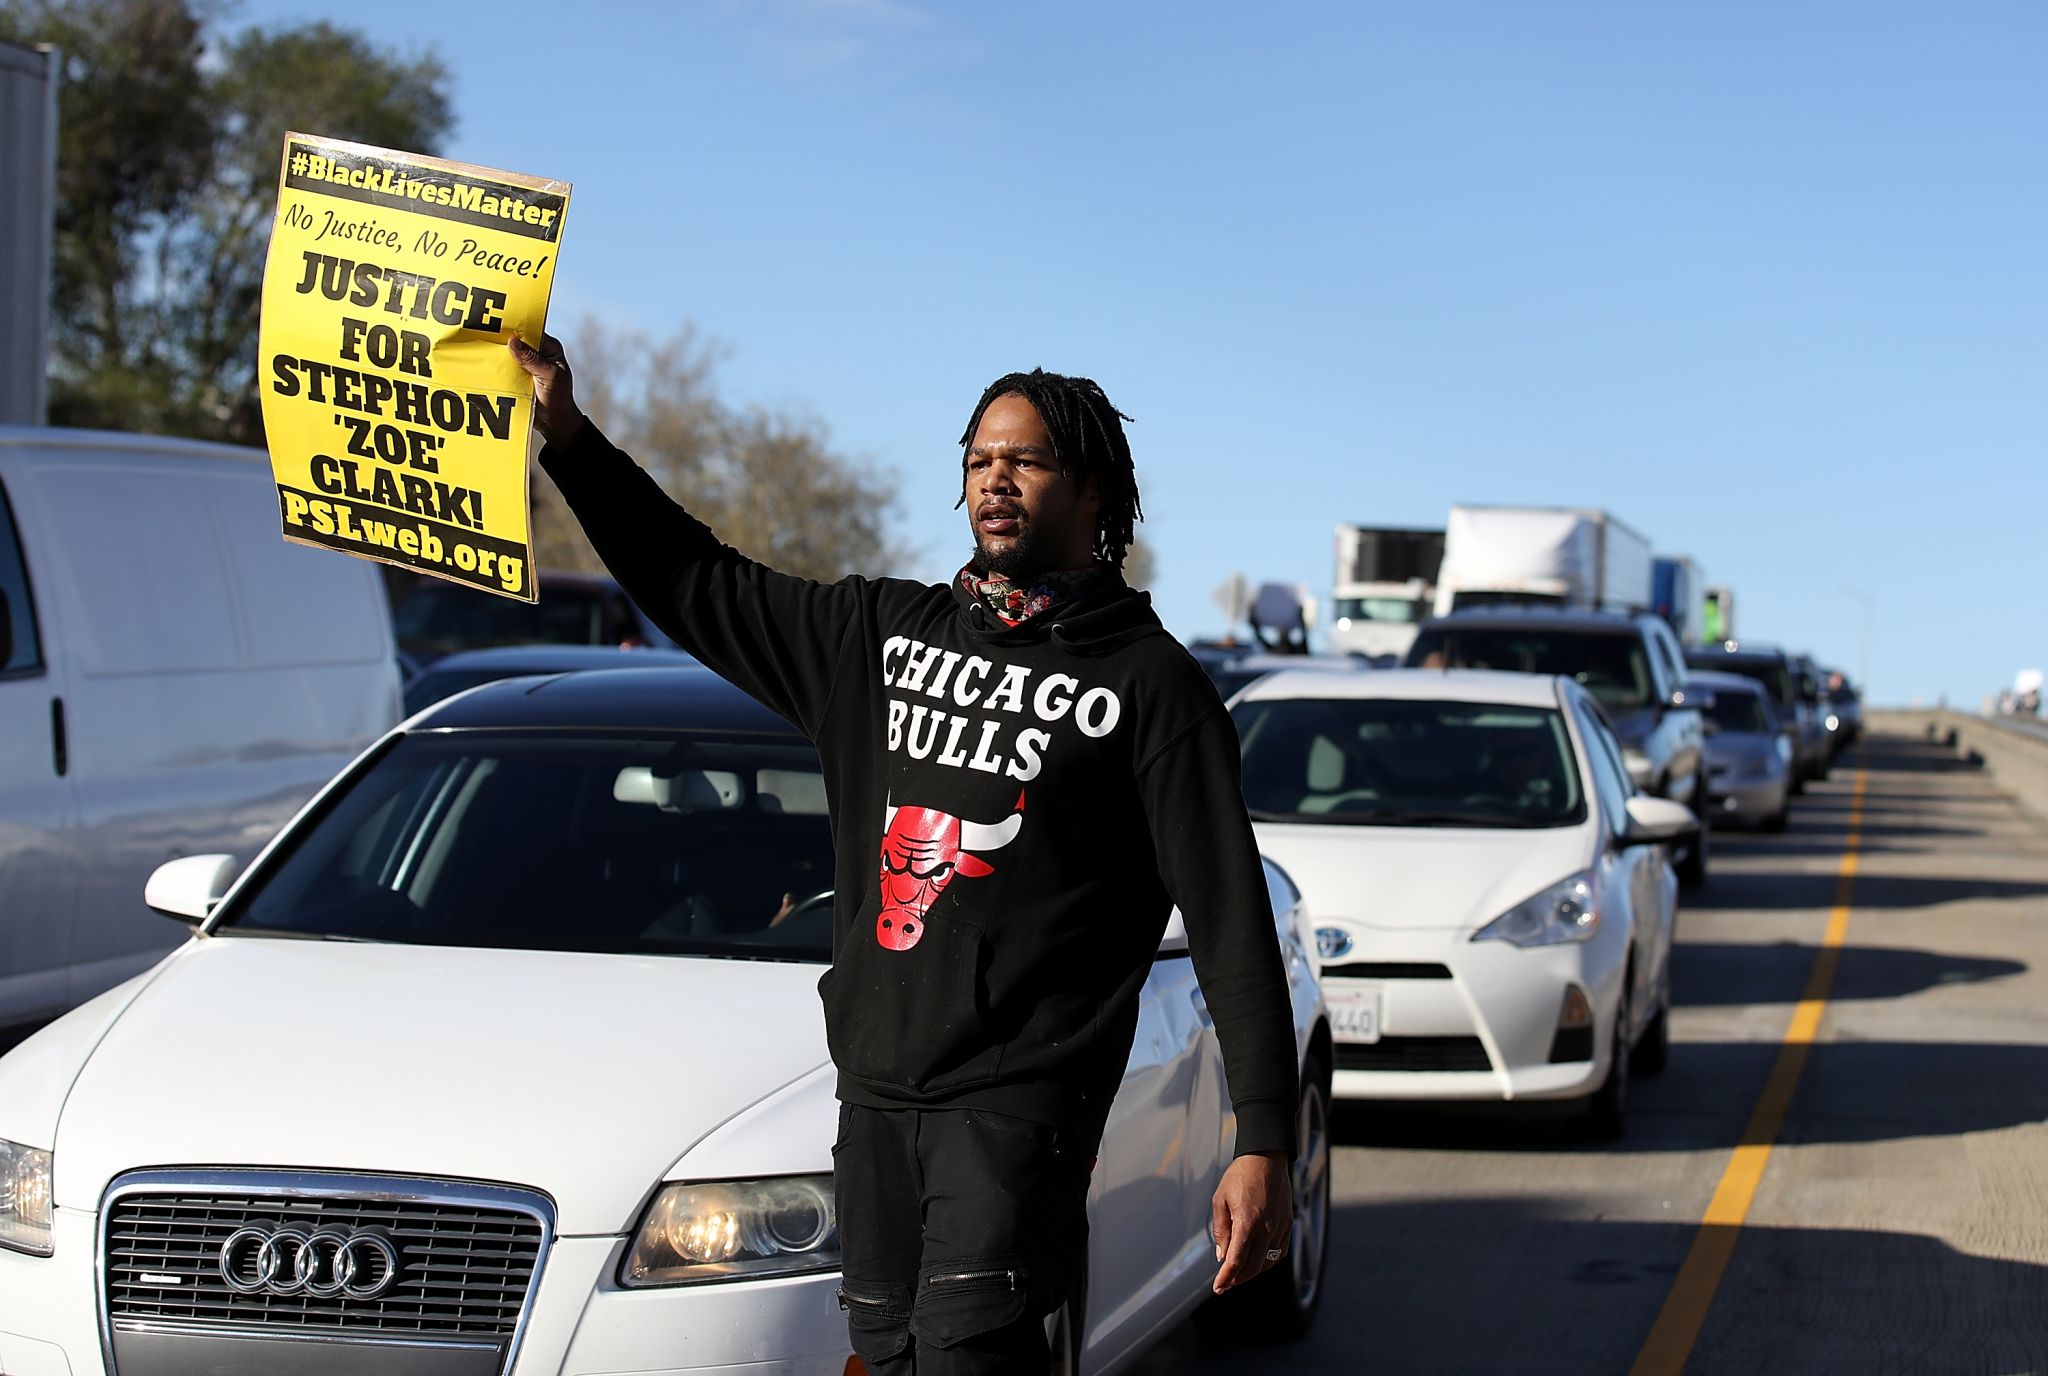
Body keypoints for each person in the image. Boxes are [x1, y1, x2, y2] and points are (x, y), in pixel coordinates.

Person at [512, 335, 1299, 1375]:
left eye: (1022, 460)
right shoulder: (877, 638)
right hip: (874, 1097)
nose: (993, 480)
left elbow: (1231, 922)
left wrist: (1263, 1138)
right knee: (886, 1360)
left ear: (1093, 491)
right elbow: (694, 578)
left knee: (971, 1357)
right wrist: (568, 437)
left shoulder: (1149, 687)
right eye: (977, 459)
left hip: (1019, 1114)